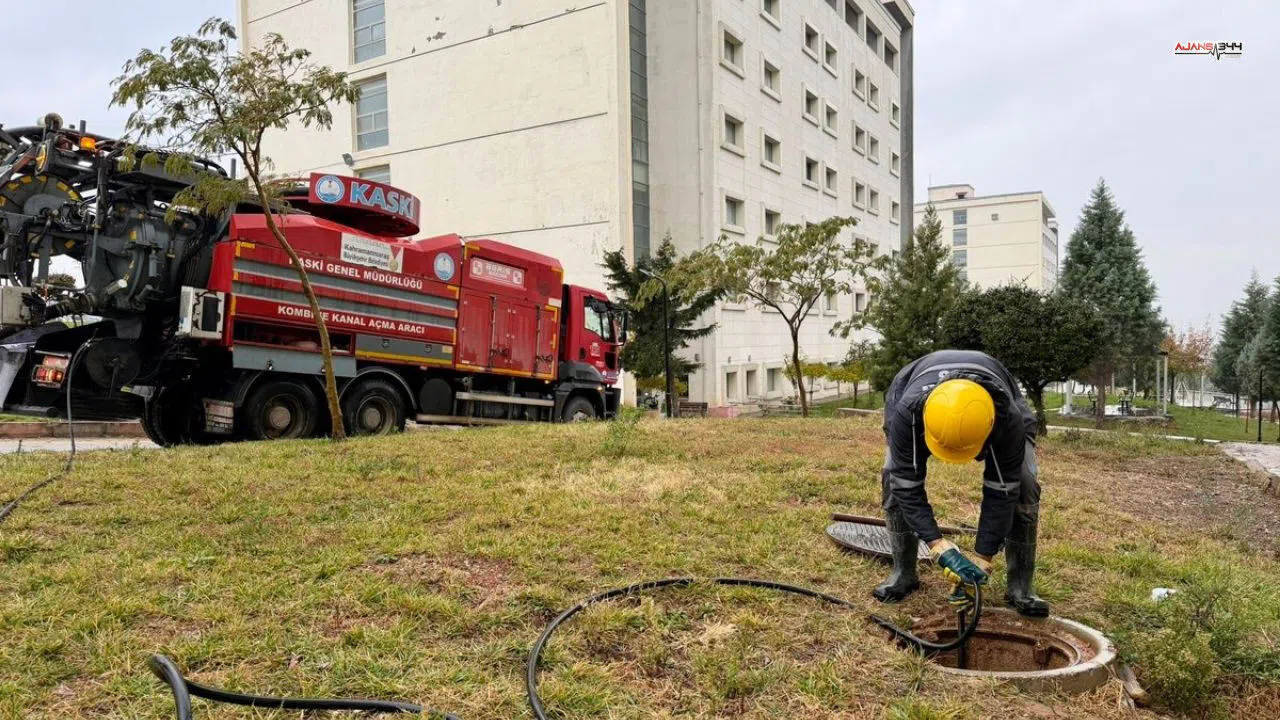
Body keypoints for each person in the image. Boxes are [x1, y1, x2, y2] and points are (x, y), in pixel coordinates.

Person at [872, 349, 1049, 617]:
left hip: (998, 397)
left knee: (1024, 483)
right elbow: (907, 485)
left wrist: (982, 558)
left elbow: (1002, 491)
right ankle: (903, 573)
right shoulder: (907, 413)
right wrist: (937, 546)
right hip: (912, 389)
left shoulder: (1007, 420)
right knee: (893, 478)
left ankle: (1021, 588)